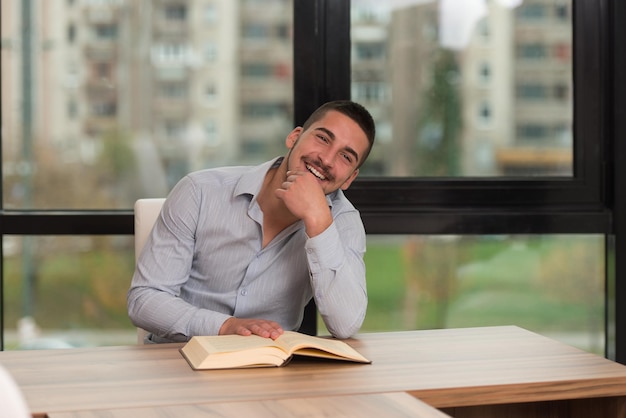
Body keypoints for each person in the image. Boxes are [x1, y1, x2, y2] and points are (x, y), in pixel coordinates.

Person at [127, 100, 376, 343]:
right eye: (322, 138)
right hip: (178, 360)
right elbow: (146, 300)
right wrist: (224, 326)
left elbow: (345, 324)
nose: (327, 160)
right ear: (294, 137)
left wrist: (318, 220)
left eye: (345, 156)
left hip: (267, 368)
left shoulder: (344, 221)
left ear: (349, 179)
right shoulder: (199, 191)